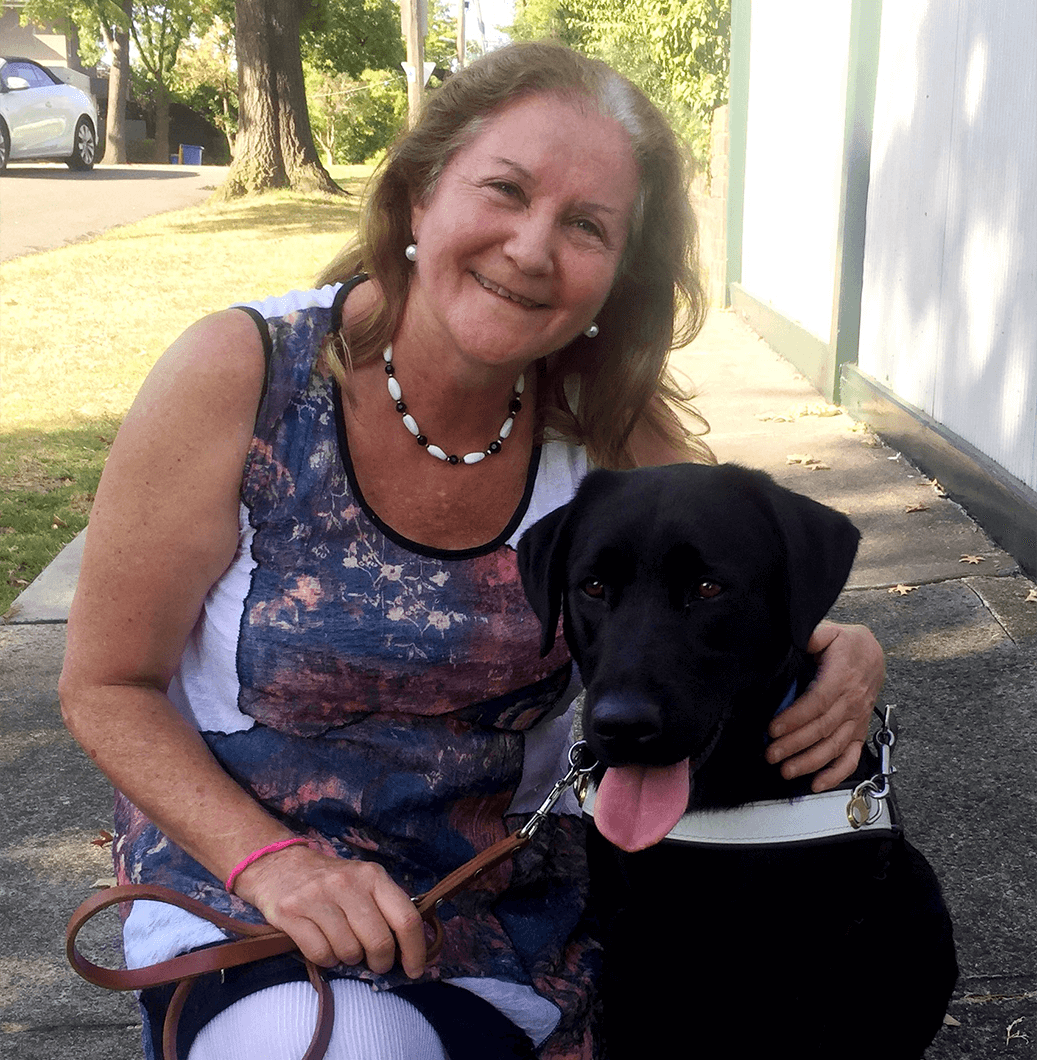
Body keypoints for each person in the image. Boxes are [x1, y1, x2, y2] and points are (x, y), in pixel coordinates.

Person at [60, 42, 885, 1060]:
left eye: (585, 225)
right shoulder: (246, 375)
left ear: (617, 271)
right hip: (256, 902)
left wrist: (842, 643)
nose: (532, 247)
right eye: (504, 189)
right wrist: (275, 862)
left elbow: (724, 579)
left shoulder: (604, 430)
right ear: (416, 197)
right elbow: (106, 684)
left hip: (507, 914)